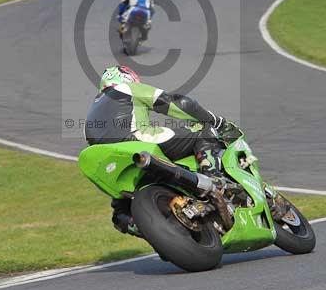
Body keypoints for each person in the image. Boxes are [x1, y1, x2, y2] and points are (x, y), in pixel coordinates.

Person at [84, 65, 234, 236]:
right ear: (127, 77)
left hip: (119, 165)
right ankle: (215, 180)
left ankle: (142, 226)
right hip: (140, 143)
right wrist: (216, 120)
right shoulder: (125, 88)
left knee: (119, 214)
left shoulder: (89, 118)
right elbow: (174, 103)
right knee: (202, 130)